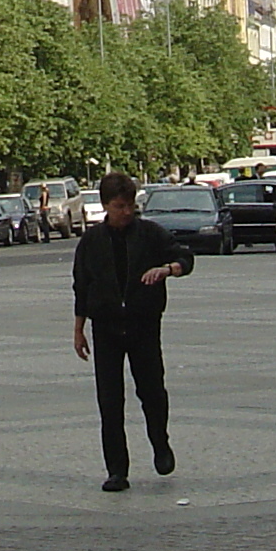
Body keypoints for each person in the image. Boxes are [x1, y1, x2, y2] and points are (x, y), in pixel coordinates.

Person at [70, 172, 190, 492]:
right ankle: (117, 469)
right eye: (119, 206)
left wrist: (166, 270)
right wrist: (79, 329)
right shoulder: (91, 242)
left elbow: (184, 257)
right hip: (106, 327)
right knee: (109, 401)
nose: (126, 212)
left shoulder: (150, 234)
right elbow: (81, 286)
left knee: (152, 391)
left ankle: (160, 443)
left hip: (143, 325)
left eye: (130, 205)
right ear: (105, 206)